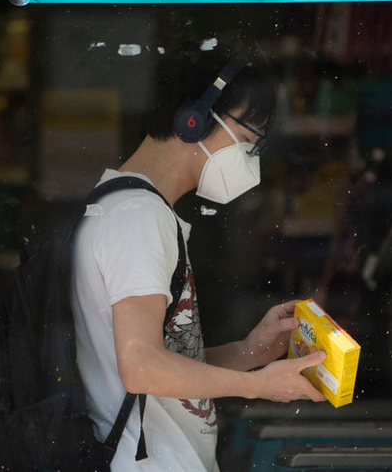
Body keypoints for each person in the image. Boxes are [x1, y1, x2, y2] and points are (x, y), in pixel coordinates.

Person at [70, 51, 327, 472]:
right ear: (196, 119)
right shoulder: (138, 217)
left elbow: (158, 360)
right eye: (251, 140)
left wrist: (248, 352)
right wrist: (257, 386)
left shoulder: (128, 207)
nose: (252, 159)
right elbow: (140, 366)